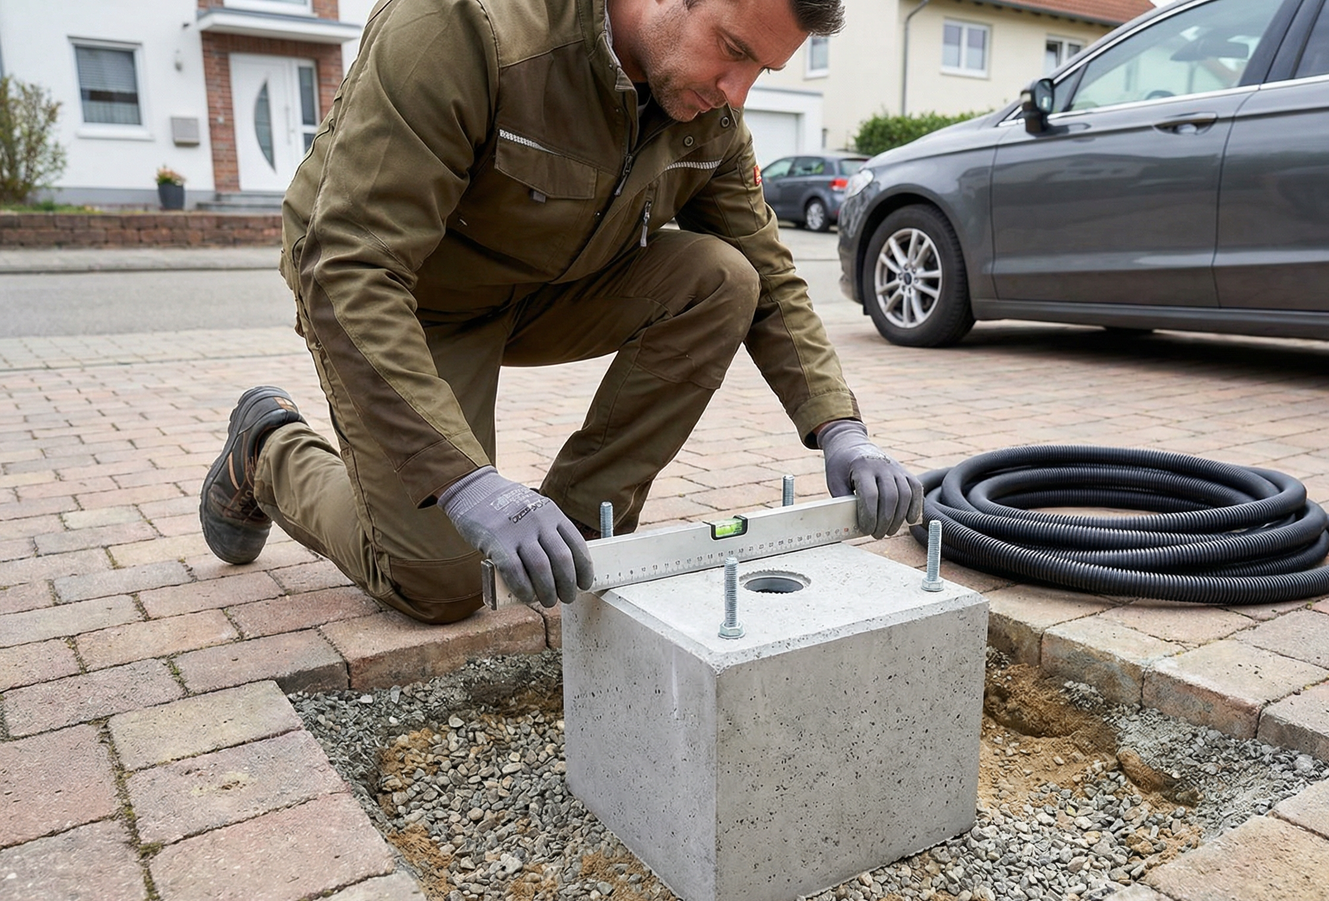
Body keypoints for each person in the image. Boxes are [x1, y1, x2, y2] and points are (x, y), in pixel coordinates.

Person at [199, 0, 922, 624]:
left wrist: (841, 429)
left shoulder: (710, 116)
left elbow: (768, 270)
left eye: (762, 69)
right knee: (440, 583)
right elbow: (350, 264)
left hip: (544, 286)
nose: (737, 93)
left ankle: (576, 530)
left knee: (724, 278)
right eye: (733, 51)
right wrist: (465, 482)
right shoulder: (464, 27)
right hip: (410, 294)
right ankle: (268, 451)